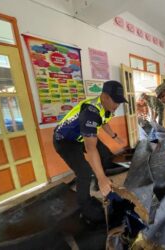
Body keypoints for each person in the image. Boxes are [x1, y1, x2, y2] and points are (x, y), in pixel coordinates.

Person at [53, 80, 127, 222]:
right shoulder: (90, 112)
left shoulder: (107, 108)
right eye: (115, 101)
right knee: (84, 173)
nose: (117, 105)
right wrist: (101, 178)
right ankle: (86, 209)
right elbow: (90, 148)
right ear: (104, 96)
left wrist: (115, 137)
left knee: (105, 154)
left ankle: (100, 181)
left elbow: (103, 122)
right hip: (65, 141)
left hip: (81, 136)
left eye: (120, 101)